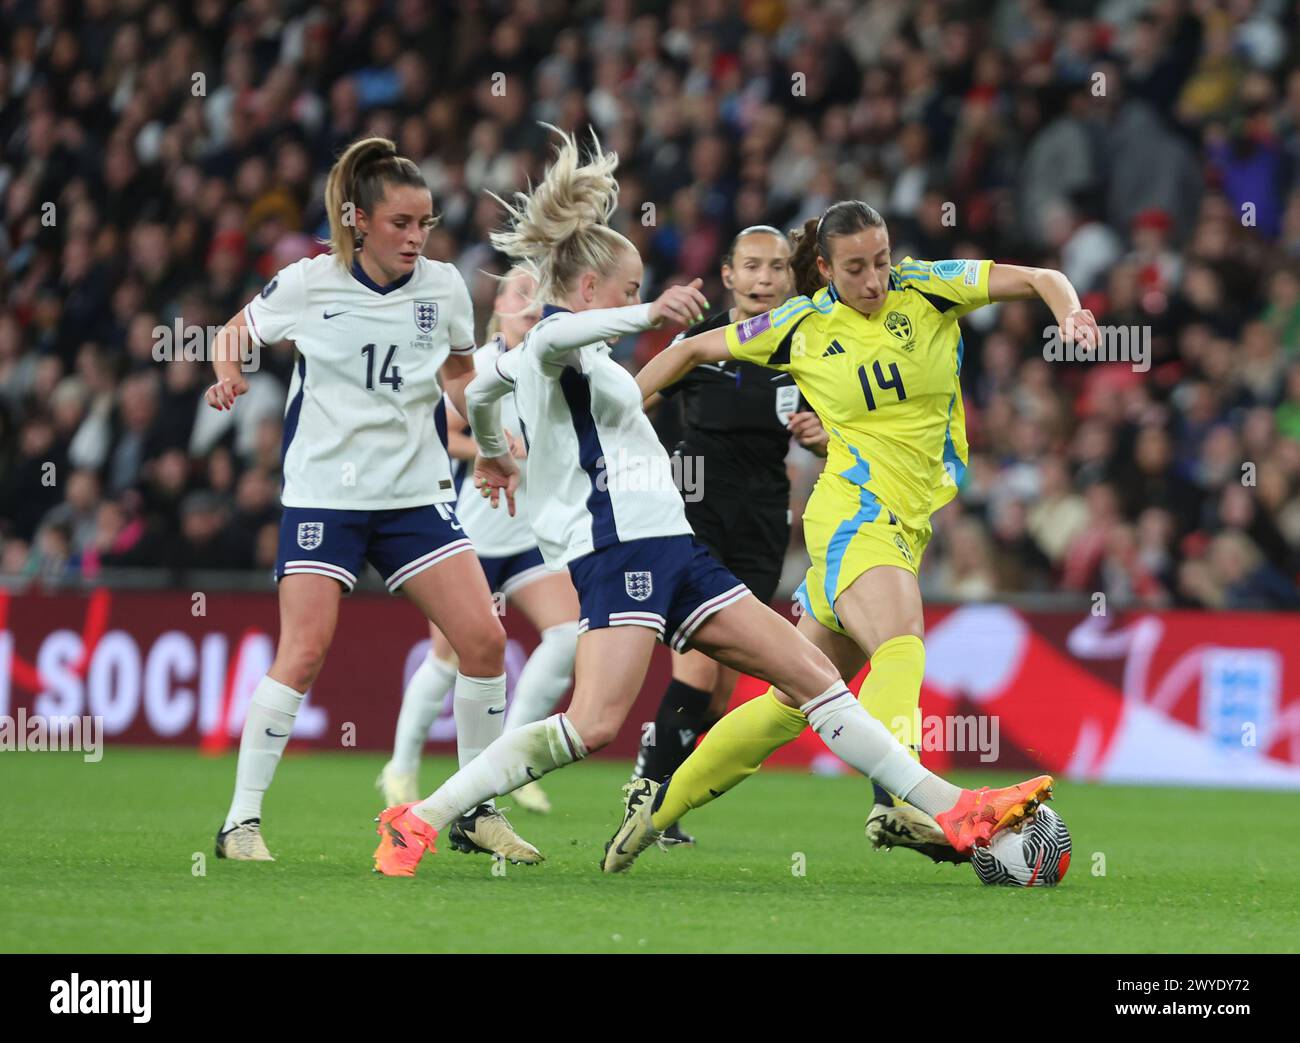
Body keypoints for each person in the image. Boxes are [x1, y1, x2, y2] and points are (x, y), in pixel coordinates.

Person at [369, 128, 1054, 878]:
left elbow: (480, 393)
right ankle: (421, 816)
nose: (635, 301)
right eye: (627, 289)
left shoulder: (554, 355)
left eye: (638, 292)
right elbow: (552, 344)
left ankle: (946, 805)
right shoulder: (555, 337)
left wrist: (497, 449)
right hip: (619, 548)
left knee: (815, 680)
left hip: (676, 544)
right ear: (592, 289)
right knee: (592, 722)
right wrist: (648, 315)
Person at [617, 199, 1096, 868]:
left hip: (909, 517)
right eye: (855, 268)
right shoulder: (800, 324)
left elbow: (1041, 276)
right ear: (824, 269)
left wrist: (1068, 310)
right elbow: (691, 349)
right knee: (901, 643)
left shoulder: (928, 286)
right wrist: (613, 418)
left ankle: (656, 808)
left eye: (880, 261)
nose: (874, 280)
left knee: (791, 700)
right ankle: (900, 799)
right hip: (854, 511)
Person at [208, 136, 536, 863]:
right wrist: (229, 374)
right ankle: (240, 823)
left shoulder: (444, 287)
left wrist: (488, 443)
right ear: (359, 219)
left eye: (426, 223)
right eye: (401, 224)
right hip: (324, 495)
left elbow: (457, 373)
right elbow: (231, 334)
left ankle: (474, 808)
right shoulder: (308, 283)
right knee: (305, 650)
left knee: (483, 640)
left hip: (414, 494)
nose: (417, 237)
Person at [632, 225, 828, 847]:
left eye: (776, 268)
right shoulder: (697, 344)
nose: (765, 279)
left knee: (720, 687)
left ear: (791, 278)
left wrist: (825, 434)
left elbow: (850, 423)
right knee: (695, 670)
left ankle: (658, 788)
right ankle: (649, 803)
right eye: (752, 267)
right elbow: (632, 403)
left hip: (765, 521)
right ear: (728, 275)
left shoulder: (809, 349)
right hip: (694, 515)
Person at [377, 268, 580, 821]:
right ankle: (400, 766)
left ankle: (510, 761)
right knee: (447, 659)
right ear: (498, 304)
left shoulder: (556, 365)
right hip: (474, 534)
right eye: (521, 292)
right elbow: (438, 431)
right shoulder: (481, 365)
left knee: (567, 636)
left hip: (531, 535)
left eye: (542, 294)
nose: (532, 303)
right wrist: (489, 448)